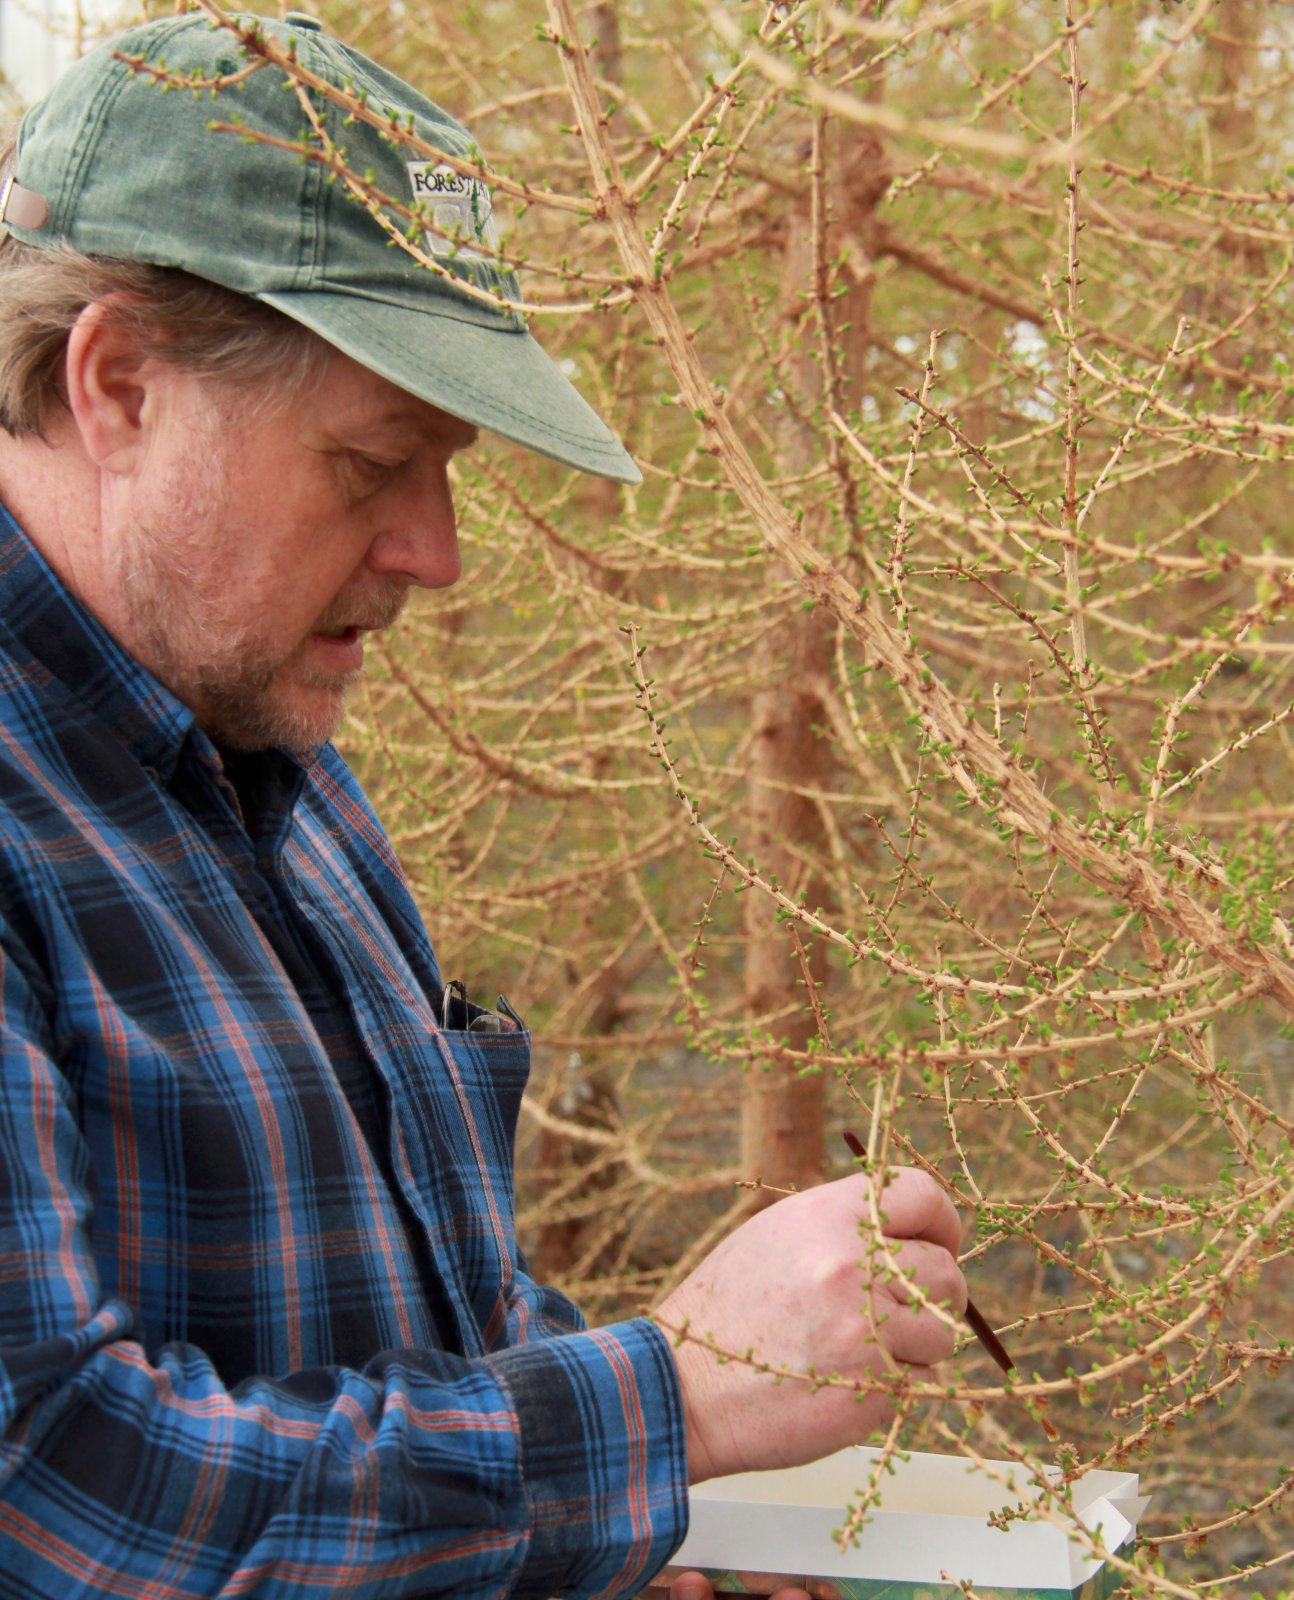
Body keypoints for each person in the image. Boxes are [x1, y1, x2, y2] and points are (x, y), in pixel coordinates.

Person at [0, 10, 967, 1598]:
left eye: (443, 466)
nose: (433, 553)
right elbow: (52, 1494)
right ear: (118, 387)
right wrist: (668, 1403)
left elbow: (437, 1315)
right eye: (372, 462)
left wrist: (611, 1545)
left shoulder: (289, 779)